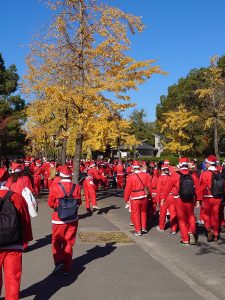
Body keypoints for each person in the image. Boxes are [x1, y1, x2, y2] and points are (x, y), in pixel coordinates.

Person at [0, 185, 33, 300]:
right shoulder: (17, 197)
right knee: (13, 277)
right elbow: (25, 220)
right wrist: (26, 239)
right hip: (14, 243)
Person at [48, 165, 81, 275]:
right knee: (69, 242)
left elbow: (50, 203)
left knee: (57, 242)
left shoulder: (55, 186)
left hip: (58, 219)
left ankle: (58, 262)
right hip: (72, 218)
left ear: (60, 175)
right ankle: (67, 268)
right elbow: (79, 202)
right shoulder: (76, 187)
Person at [161, 158, 202, 245]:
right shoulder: (193, 174)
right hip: (190, 199)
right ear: (187, 164)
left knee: (181, 219)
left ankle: (185, 239)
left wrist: (163, 198)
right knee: (191, 216)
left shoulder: (175, 175)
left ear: (180, 164)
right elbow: (198, 188)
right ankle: (191, 231)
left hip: (179, 199)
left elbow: (167, 188)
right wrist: (198, 200)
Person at [124, 161, 152, 236]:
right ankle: (143, 227)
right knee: (143, 212)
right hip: (144, 196)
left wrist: (126, 199)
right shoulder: (146, 175)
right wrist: (150, 195)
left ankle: (138, 230)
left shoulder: (130, 177)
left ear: (133, 168)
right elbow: (149, 186)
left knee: (136, 214)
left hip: (135, 197)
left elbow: (127, 189)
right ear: (139, 167)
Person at [200, 155, 224, 242]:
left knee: (204, 215)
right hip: (217, 197)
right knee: (215, 216)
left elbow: (201, 187)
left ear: (209, 164)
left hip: (207, 198)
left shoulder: (205, 173)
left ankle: (209, 229)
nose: (205, 164)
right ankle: (216, 235)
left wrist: (199, 199)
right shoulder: (219, 173)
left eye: (206, 163)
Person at [155, 164, 177, 234]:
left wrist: (157, 200)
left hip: (163, 197)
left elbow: (158, 190)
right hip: (172, 196)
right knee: (173, 213)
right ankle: (174, 229)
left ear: (162, 170)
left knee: (163, 213)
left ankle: (161, 227)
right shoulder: (171, 177)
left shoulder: (160, 178)